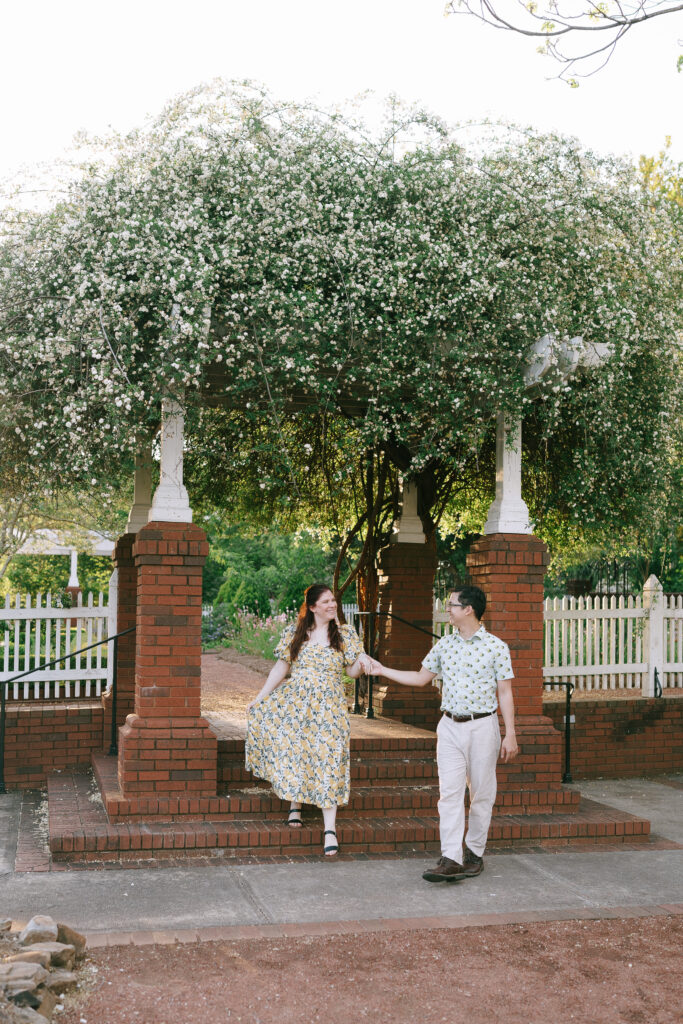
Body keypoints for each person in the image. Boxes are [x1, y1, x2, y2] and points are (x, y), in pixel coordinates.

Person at [365, 584, 518, 882]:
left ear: (468, 609)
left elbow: (505, 692)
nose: (447, 609)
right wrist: (382, 670)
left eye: (451, 605)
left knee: (481, 793)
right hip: (448, 726)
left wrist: (510, 733)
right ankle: (450, 857)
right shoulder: (445, 645)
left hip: (483, 726)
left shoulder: (496, 647)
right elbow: (421, 677)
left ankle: (474, 853)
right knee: (449, 793)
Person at [245, 583, 368, 857]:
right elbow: (281, 667)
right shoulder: (296, 632)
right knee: (297, 752)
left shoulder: (345, 633)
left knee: (329, 759)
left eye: (334, 600)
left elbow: (351, 670)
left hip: (331, 708)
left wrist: (362, 664)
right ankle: (295, 804)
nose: (332, 605)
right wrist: (260, 697)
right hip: (297, 704)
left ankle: (329, 829)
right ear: (312, 607)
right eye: (326, 601)